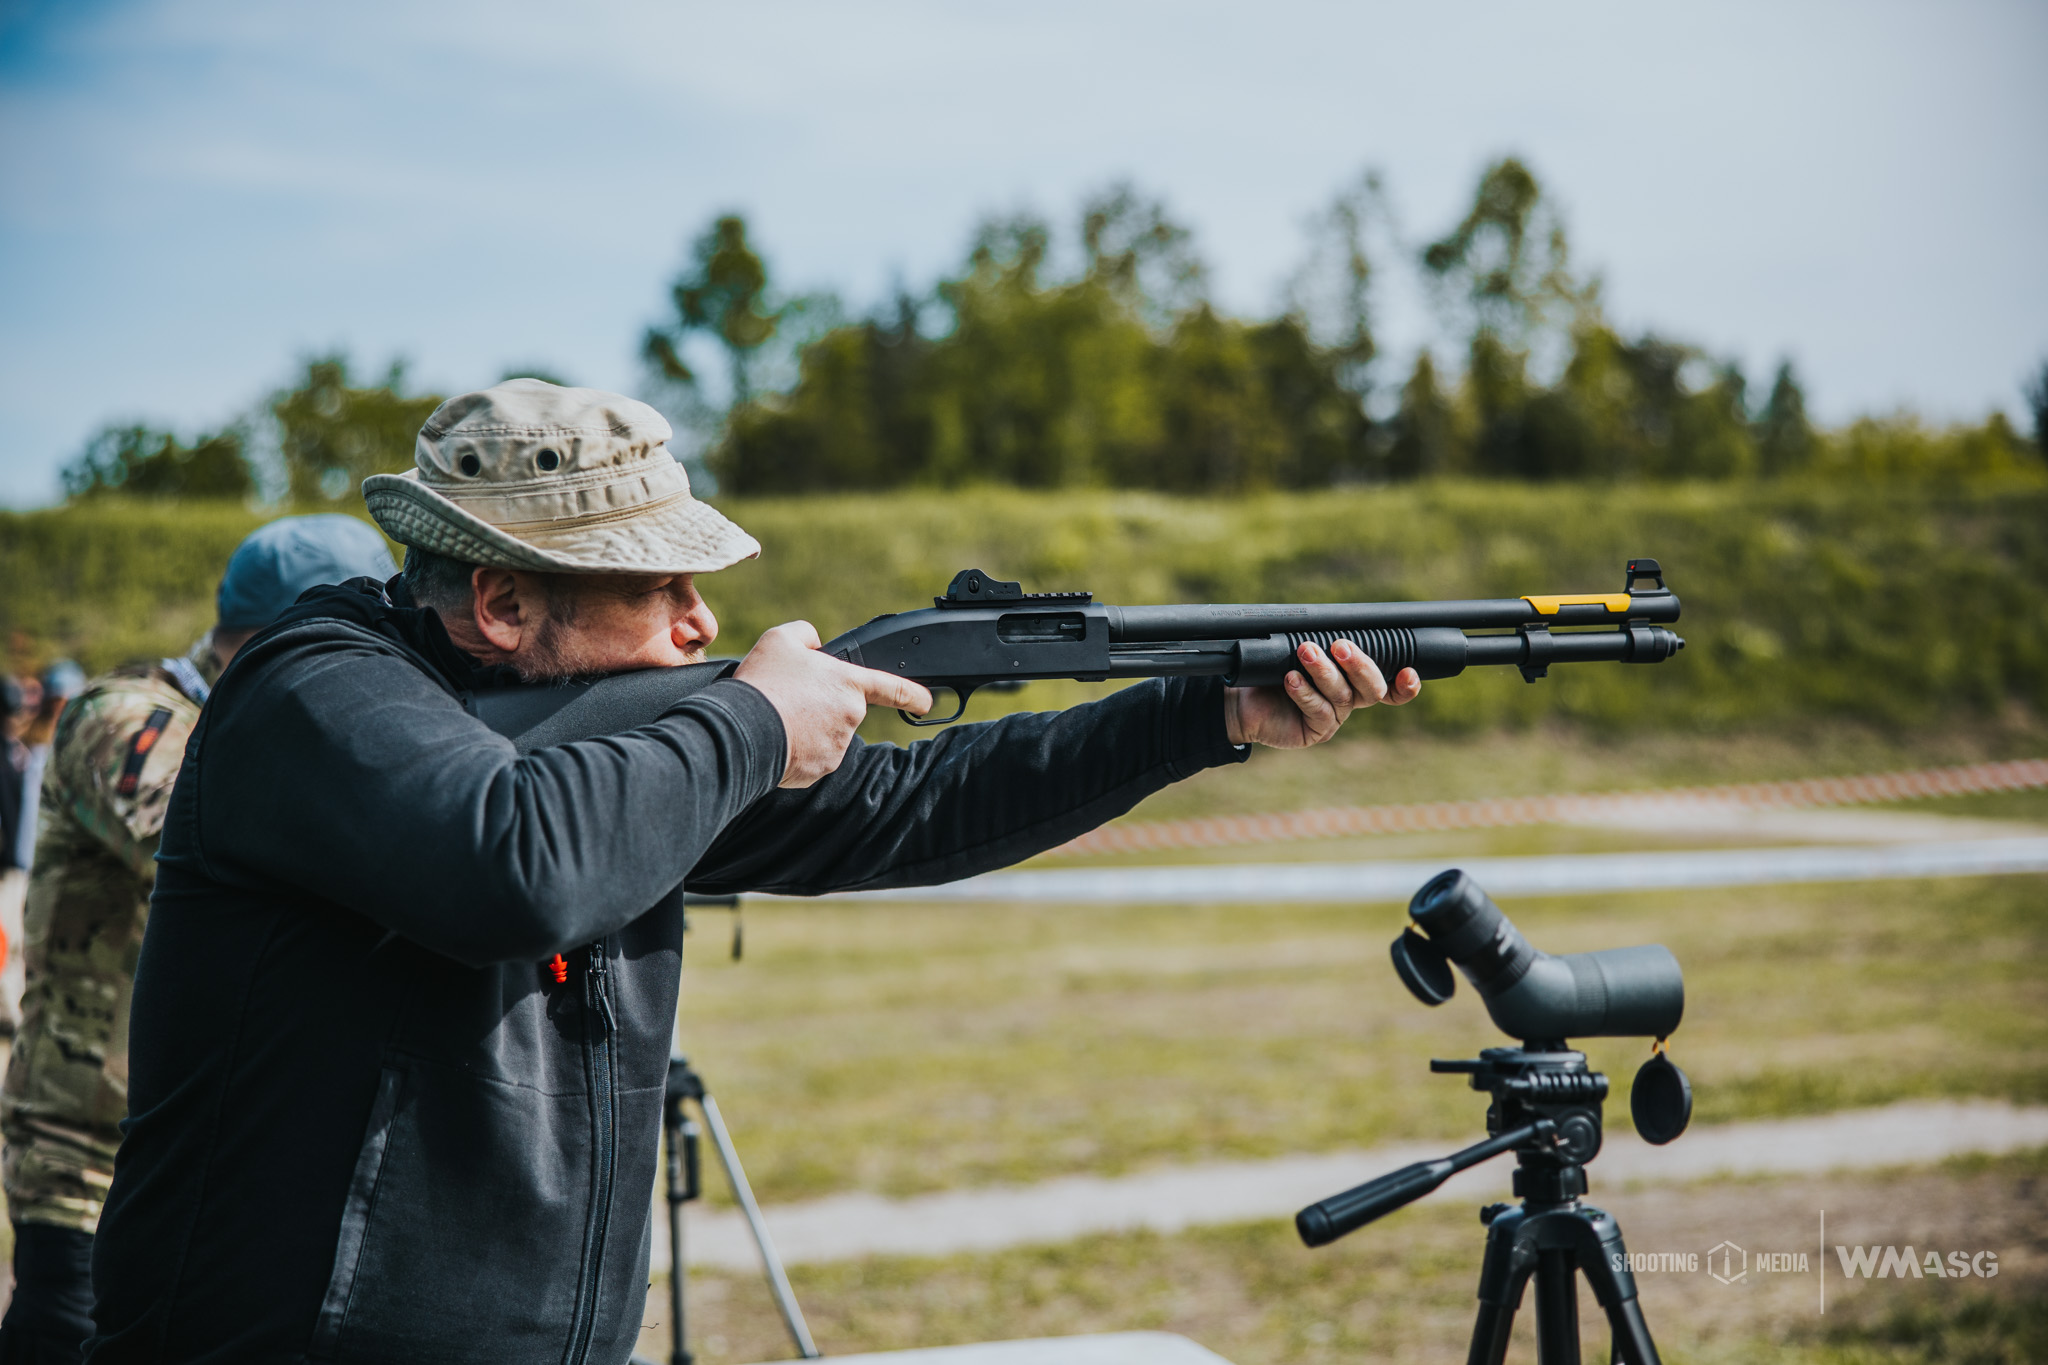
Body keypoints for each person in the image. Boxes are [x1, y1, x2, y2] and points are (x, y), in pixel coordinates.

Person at [87, 380, 1420, 1363]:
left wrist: (1205, 715)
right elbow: (514, 863)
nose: (703, 623)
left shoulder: (629, 756)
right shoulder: (311, 692)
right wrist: (749, 721)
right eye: (660, 589)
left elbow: (911, 804)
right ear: (501, 603)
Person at [0, 518, 397, 1363]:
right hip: (95, 1179)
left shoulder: (253, 725)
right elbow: (228, 833)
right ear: (298, 636)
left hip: (215, 1179)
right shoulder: (125, 718)